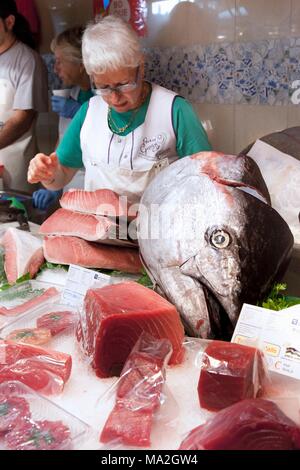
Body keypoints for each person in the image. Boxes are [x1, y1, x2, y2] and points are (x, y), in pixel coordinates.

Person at [27, 15, 211, 208]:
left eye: (123, 85)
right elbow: (61, 174)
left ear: (140, 67)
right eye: (103, 87)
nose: (115, 98)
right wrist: (47, 174)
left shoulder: (175, 110)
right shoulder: (88, 112)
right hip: (98, 232)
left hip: (156, 233)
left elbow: (205, 179)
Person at [32, 25, 94, 210]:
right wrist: (52, 183)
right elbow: (63, 141)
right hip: (67, 186)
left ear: (81, 65)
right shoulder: (72, 94)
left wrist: (80, 112)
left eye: (60, 61)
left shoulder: (102, 100)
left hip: (92, 190)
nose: (55, 68)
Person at [0, 0, 48, 193]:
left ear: (9, 22)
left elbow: (22, 120)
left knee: (15, 219)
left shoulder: (27, 60)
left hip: (15, 168)